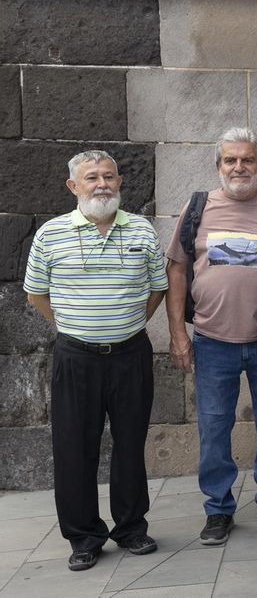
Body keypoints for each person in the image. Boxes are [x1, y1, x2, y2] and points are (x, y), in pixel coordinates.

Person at [24, 150, 167, 571]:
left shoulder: (141, 231)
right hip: (75, 358)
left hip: (130, 355)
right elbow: (36, 294)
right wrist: (72, 326)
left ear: (120, 182)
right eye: (91, 178)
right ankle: (83, 536)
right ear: (74, 186)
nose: (101, 184)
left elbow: (157, 288)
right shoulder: (51, 235)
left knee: (129, 444)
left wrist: (126, 324)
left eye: (108, 176)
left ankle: (131, 528)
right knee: (73, 448)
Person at [165, 128, 257, 546]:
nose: (239, 167)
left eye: (247, 160)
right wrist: (177, 333)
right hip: (211, 339)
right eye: (230, 161)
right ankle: (218, 509)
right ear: (218, 167)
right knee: (214, 426)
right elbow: (177, 269)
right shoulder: (198, 208)